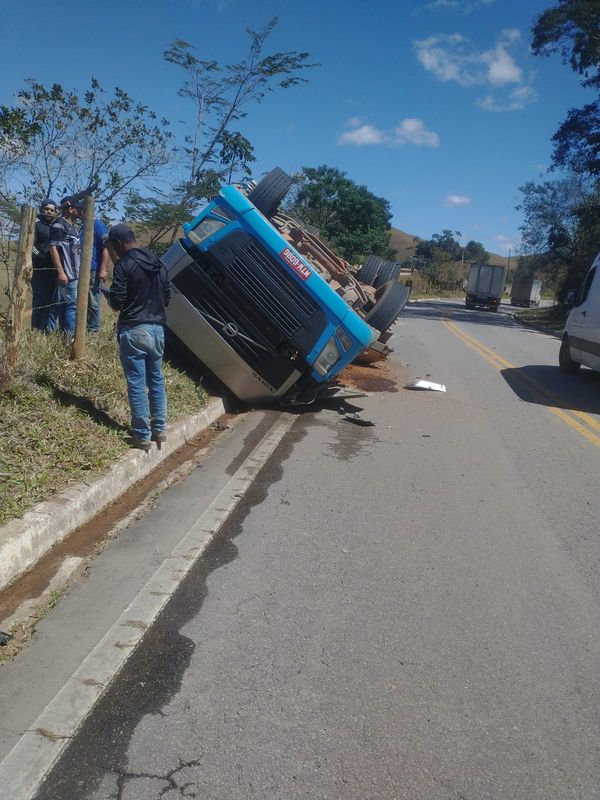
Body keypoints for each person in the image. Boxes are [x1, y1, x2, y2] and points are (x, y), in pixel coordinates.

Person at [106, 223, 171, 451]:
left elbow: (117, 302)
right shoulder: (158, 262)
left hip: (134, 330)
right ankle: (160, 430)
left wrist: (109, 295)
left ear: (119, 243)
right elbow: (168, 296)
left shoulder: (124, 264)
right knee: (156, 381)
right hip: (158, 330)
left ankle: (142, 435)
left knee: (136, 383)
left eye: (112, 245)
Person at [49, 197, 82, 335]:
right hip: (68, 275)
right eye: (78, 208)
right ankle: (70, 339)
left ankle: (64, 336)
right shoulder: (59, 224)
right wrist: (61, 272)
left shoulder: (73, 228)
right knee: (71, 306)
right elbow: (53, 248)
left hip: (75, 274)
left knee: (66, 306)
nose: (80, 211)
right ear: (70, 209)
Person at [31, 199, 59, 332]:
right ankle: (35, 331)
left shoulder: (55, 225)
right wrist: (40, 256)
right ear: (42, 209)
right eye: (46, 209)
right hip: (39, 269)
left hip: (53, 270)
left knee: (51, 303)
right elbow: (30, 245)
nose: (49, 211)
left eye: (52, 210)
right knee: (39, 302)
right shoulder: (35, 223)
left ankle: (45, 331)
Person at [81, 216, 109, 332]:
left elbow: (106, 247)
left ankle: (93, 330)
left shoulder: (97, 225)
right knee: (85, 301)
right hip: (83, 270)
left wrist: (102, 270)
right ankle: (85, 328)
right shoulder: (82, 226)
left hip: (94, 269)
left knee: (93, 301)